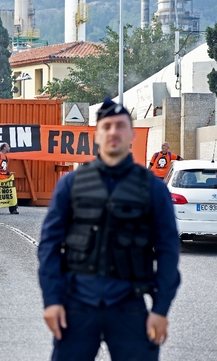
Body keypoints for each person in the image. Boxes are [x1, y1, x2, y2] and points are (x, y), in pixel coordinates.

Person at [37, 98, 181, 361]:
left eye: (120, 126)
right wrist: (52, 300)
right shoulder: (71, 185)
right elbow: (49, 246)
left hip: (129, 305)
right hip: (77, 305)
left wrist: (161, 309)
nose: (113, 132)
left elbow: (168, 250)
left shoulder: (153, 188)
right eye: (107, 126)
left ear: (131, 135)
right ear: (98, 135)